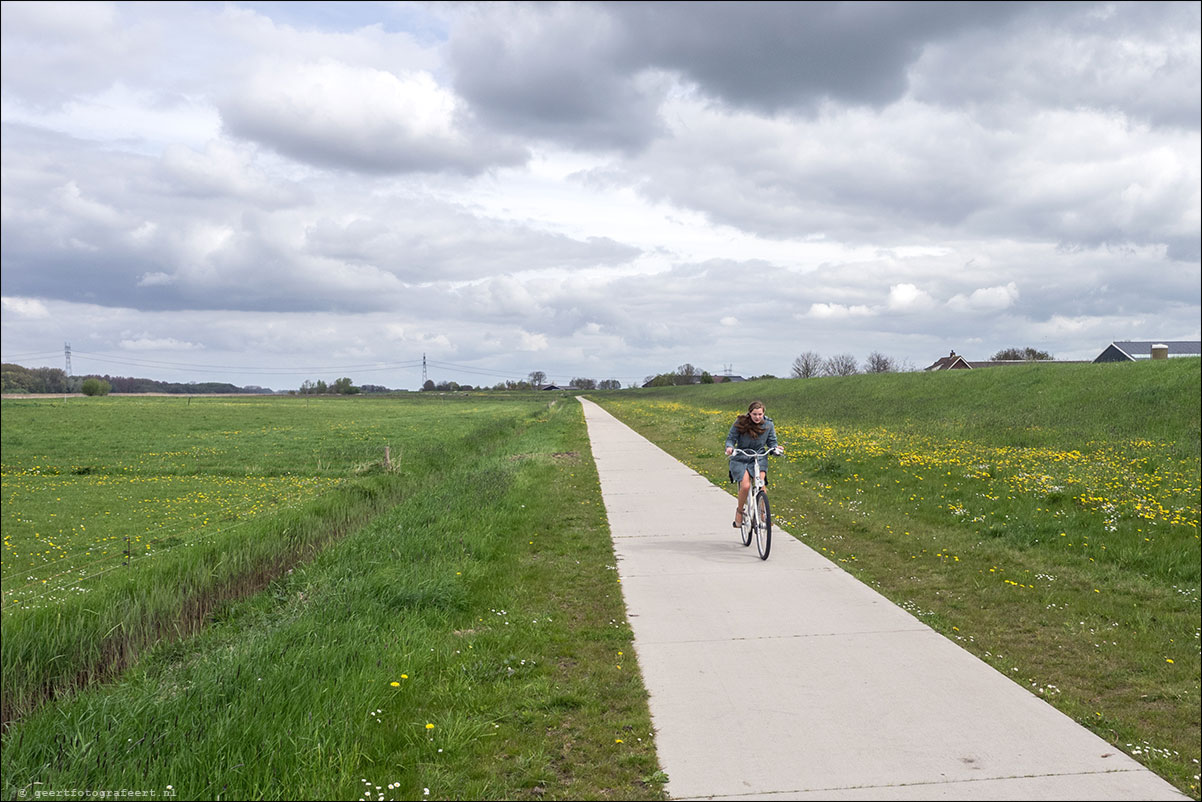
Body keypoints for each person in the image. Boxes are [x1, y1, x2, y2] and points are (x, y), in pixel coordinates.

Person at [725, 401, 784, 527]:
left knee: (761, 484)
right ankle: (740, 511)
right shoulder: (740, 423)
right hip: (741, 457)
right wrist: (730, 448)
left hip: (759, 457)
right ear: (750, 413)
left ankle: (763, 514)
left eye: (760, 414)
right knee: (746, 486)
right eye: (754, 414)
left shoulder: (768, 424)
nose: (757, 417)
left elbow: (772, 441)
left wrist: (775, 449)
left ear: (763, 413)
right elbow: (731, 439)